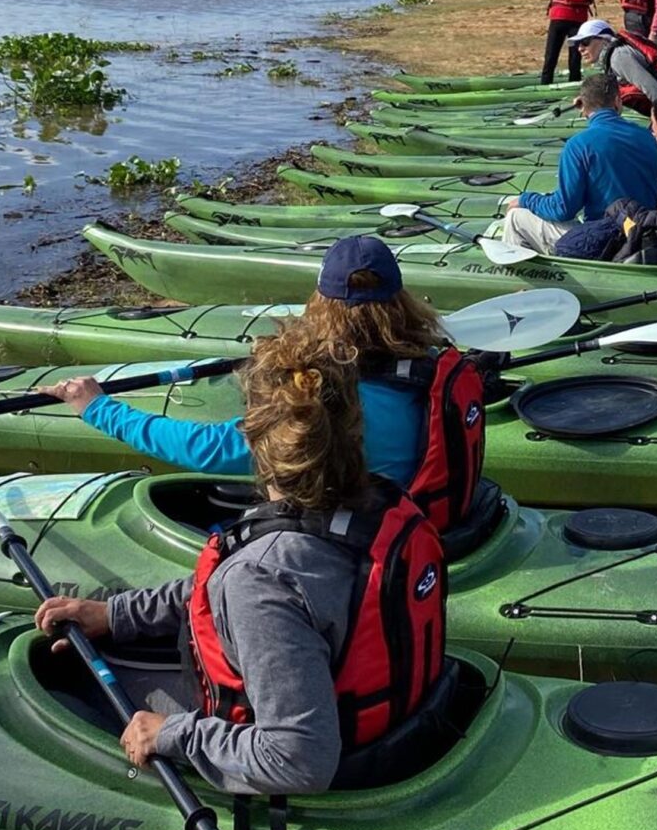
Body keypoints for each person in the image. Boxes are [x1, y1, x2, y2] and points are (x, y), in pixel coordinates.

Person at [33, 328, 449, 796]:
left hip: (321, 757)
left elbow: (298, 762)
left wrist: (171, 733)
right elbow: (245, 592)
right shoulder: (381, 504)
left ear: (250, 438)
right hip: (388, 720)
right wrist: (117, 614)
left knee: (61, 683)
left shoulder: (260, 577)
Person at [37, 235, 486, 536]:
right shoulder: (430, 366)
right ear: (399, 299)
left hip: (366, 536)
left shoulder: (328, 401)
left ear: (321, 305)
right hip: (427, 512)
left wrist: (98, 408)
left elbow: (206, 449)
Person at [501, 71, 657, 254]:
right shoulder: (647, 138)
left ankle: (525, 277)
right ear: (618, 101)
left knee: (515, 217)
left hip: (605, 240)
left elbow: (563, 209)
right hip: (644, 233)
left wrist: (526, 199)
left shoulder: (579, 145)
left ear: (583, 106)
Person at [568, 16, 657, 117]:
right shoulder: (613, 56)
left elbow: (656, 93)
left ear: (604, 40)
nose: (580, 48)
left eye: (585, 42)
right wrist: (588, 99)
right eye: (578, 44)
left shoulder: (618, 57)